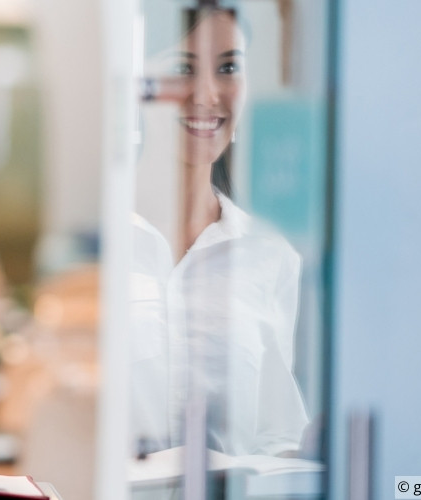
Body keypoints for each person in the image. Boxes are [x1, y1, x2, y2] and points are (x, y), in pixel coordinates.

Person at [130, 6, 309, 458]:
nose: (208, 94)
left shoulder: (271, 258)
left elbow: (277, 436)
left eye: (229, 67)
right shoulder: (107, 244)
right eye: (183, 69)